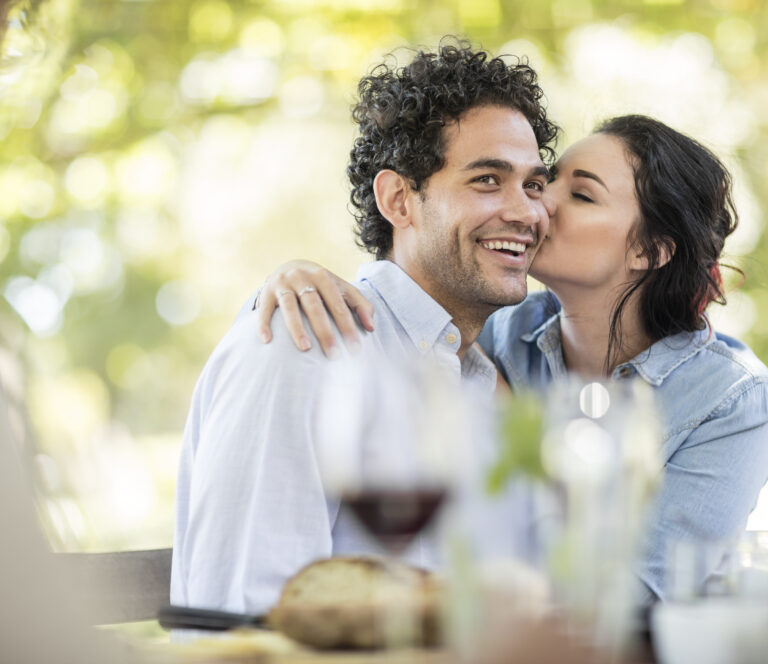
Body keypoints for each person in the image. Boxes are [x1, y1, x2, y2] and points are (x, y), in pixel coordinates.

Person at [255, 114, 768, 603]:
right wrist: (292, 278)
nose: (537, 204)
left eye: (579, 194)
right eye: (544, 181)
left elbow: (641, 594)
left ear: (649, 251)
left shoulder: (729, 400)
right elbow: (403, 305)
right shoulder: (494, 332)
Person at [171, 42, 557, 615]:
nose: (526, 212)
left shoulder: (482, 382)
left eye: (532, 184)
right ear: (398, 199)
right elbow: (242, 625)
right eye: (486, 180)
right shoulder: (302, 348)